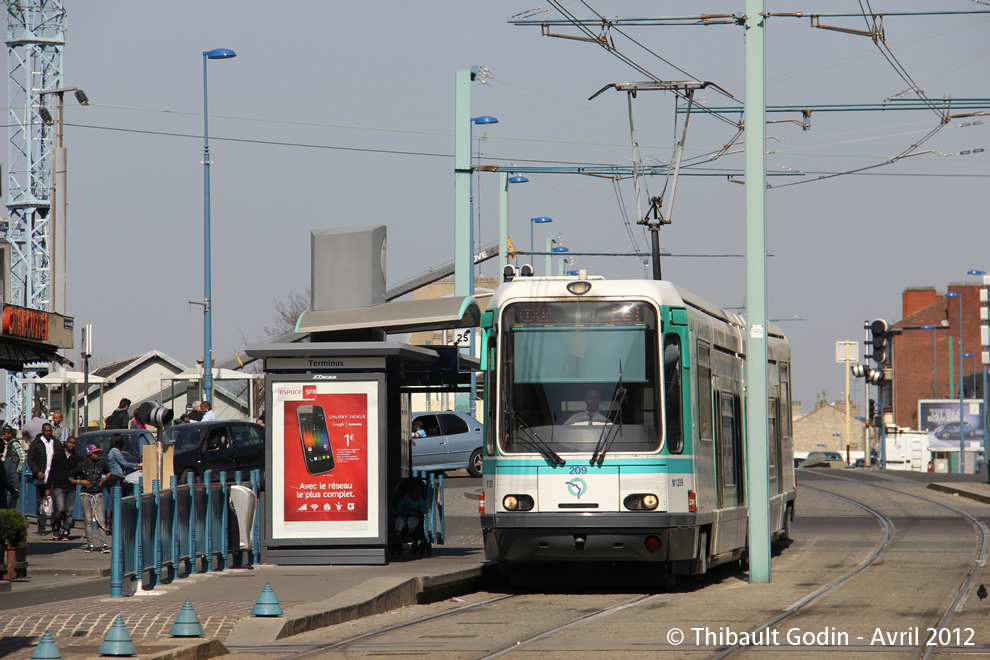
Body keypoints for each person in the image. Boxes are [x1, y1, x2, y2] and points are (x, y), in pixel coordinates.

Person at [70, 444, 109, 553]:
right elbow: (70, 478)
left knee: (100, 519)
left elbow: (109, 472)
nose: (97, 455)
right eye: (94, 453)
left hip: (98, 494)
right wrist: (80, 481)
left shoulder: (101, 463)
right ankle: (90, 544)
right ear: (88, 454)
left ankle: (104, 544)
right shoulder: (81, 465)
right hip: (85, 495)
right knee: (87, 519)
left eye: (97, 452)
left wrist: (105, 479)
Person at [26, 422, 60, 535]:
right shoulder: (36, 443)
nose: (48, 433)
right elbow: (30, 459)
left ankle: (55, 527)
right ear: (42, 431)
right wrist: (37, 471)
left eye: (50, 431)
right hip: (41, 478)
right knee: (41, 503)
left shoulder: (55, 443)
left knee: (55, 504)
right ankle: (42, 528)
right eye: (46, 431)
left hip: (53, 478)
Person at [49, 435, 83, 540]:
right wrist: (47, 488)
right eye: (70, 442)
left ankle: (66, 529)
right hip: (58, 486)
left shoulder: (77, 458)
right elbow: (52, 472)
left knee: (69, 511)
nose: (71, 445)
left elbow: (81, 471)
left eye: (74, 443)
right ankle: (56, 526)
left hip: (71, 488)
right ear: (66, 443)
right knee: (60, 509)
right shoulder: (58, 456)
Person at [0, 432, 20, 509]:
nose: (4, 447)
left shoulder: (7, 462)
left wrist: (15, 488)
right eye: (2, 446)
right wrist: (12, 490)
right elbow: (2, 479)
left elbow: (13, 476)